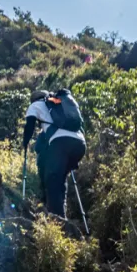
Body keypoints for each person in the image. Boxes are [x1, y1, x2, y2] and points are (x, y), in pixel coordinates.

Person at [21, 88, 86, 217]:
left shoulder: (35, 105)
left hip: (61, 144)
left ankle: (58, 222)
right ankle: (62, 216)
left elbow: (29, 126)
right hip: (80, 144)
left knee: (52, 181)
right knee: (60, 179)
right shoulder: (59, 103)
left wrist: (25, 143)